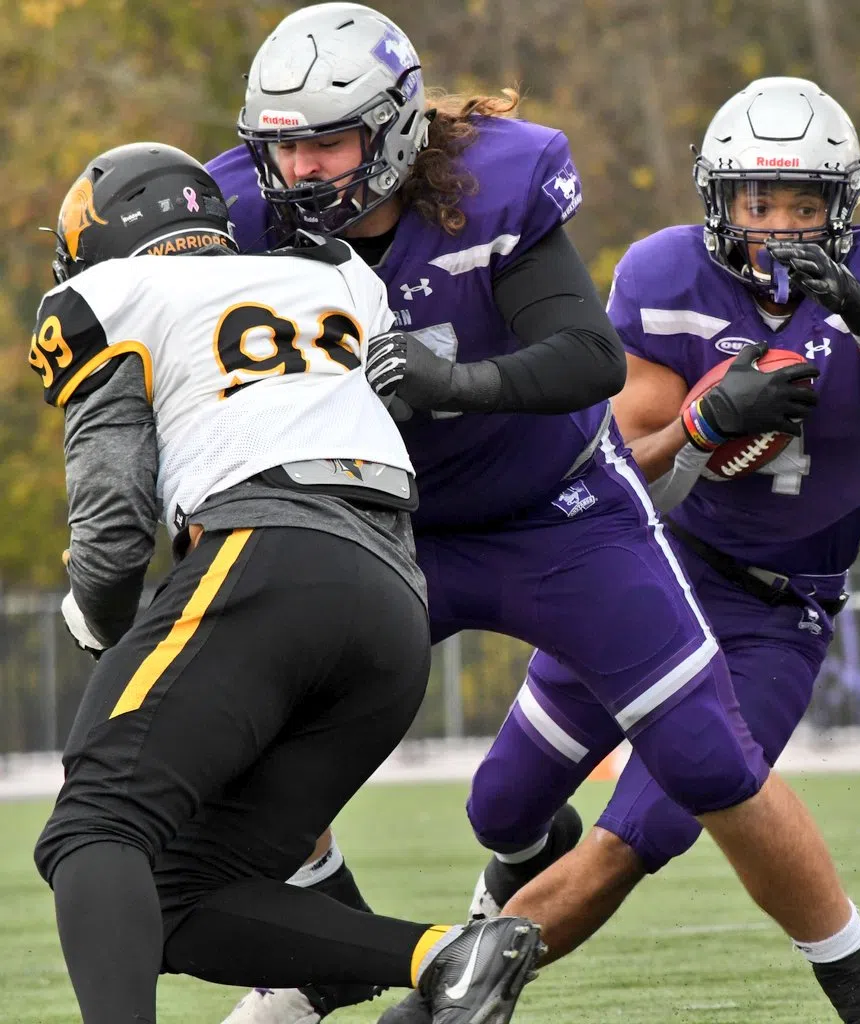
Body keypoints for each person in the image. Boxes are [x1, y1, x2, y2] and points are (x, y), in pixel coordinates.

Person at [209, 7, 860, 1023]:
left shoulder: (497, 183)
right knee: (256, 718)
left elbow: (587, 363)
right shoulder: (232, 215)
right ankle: (325, 934)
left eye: (328, 142)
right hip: (389, 519)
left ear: (398, 129)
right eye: (284, 146)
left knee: (698, 773)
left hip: (561, 515)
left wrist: (455, 383)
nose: (302, 170)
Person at [450, 75, 860, 1024]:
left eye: (804, 204)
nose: (777, 225)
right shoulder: (664, 274)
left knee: (633, 839)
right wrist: (702, 427)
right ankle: (499, 899)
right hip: (649, 578)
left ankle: (438, 999)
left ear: (845, 201)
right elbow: (621, 475)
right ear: (717, 199)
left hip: (778, 609)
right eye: (756, 202)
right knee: (501, 806)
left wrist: (855, 306)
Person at [29, 140, 546, 1024]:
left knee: (94, 826)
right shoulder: (337, 277)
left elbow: (113, 527)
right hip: (392, 605)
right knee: (181, 896)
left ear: (100, 240)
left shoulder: (111, 294)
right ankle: (445, 958)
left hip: (268, 552)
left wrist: (98, 618)